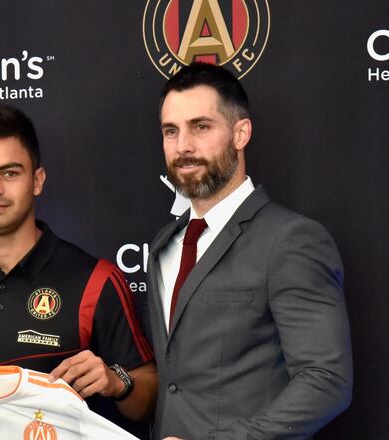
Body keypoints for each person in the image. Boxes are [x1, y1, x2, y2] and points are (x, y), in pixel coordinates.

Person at [0, 102, 157, 437]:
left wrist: (116, 382)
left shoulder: (96, 280)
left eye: (10, 173)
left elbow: (148, 399)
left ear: (37, 180)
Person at [148, 63, 352, 439]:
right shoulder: (165, 244)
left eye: (201, 127)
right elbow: (177, 381)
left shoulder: (291, 240)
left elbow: (326, 380)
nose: (183, 146)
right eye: (170, 131)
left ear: (240, 133)